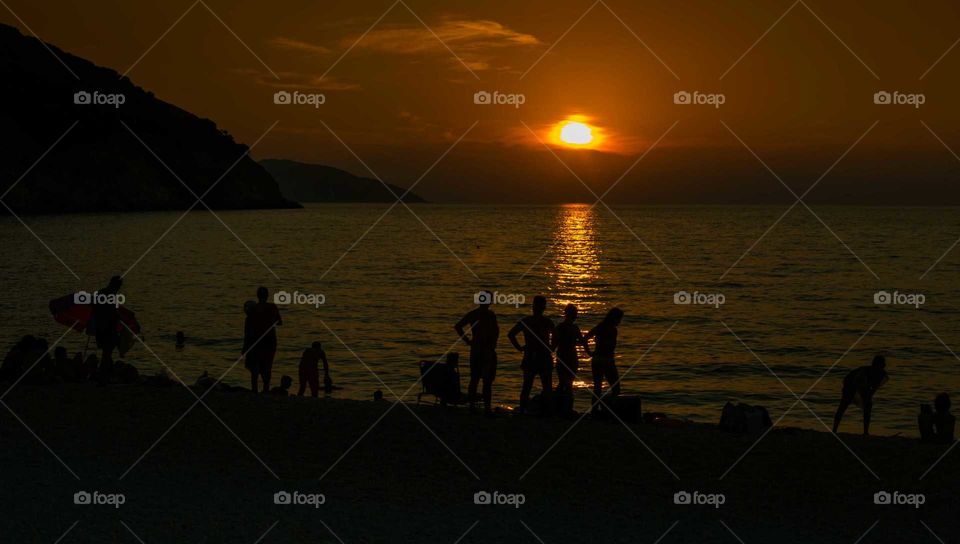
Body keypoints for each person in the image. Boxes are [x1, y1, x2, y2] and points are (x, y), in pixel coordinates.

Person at [508, 296, 555, 414]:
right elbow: (557, 336)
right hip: (543, 356)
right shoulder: (547, 322)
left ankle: (523, 410)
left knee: (527, 386)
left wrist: (519, 347)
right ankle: (548, 411)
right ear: (544, 307)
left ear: (533, 307)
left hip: (531, 355)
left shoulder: (526, 321)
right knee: (546, 387)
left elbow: (511, 334)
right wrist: (551, 348)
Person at [455, 291, 500, 414]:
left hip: (480, 350)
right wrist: (467, 340)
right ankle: (483, 407)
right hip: (483, 351)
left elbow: (458, 326)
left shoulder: (481, 314)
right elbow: (458, 326)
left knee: (477, 380)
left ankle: (476, 407)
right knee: (483, 381)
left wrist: (468, 341)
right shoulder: (487, 315)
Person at [832, 354, 889, 436]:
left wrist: (868, 396)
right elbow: (858, 384)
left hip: (861, 385)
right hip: (850, 383)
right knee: (843, 405)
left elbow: (874, 388)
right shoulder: (864, 372)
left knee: (868, 406)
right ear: (875, 365)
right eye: (882, 364)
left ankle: (865, 432)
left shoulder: (882, 374)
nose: (884, 366)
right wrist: (865, 395)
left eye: (883, 364)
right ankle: (834, 430)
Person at [584, 307, 624, 414]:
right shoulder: (609, 329)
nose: (619, 322)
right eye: (619, 319)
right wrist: (589, 353)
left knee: (598, 387)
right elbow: (585, 338)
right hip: (606, 361)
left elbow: (585, 338)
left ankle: (596, 410)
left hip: (598, 360)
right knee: (615, 388)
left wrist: (589, 353)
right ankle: (608, 410)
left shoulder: (601, 327)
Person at [243, 288, 282, 393]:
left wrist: (245, 347)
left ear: (257, 295)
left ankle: (254, 390)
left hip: (256, 340)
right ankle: (266, 389)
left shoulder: (253, 309)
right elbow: (279, 322)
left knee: (255, 366)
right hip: (270, 340)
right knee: (268, 365)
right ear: (267, 295)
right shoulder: (272, 307)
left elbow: (248, 331)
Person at [92, 276, 123, 381]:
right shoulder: (111, 295)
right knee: (107, 352)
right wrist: (119, 317)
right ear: (116, 285)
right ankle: (103, 376)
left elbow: (95, 309)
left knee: (106, 352)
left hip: (100, 327)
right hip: (108, 328)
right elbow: (112, 312)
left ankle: (105, 374)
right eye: (119, 286)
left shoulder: (100, 292)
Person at [552, 303, 587, 394]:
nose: (575, 316)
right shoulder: (573, 328)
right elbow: (582, 342)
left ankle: (561, 400)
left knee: (564, 382)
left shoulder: (560, 327)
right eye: (575, 314)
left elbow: (553, 346)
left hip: (564, 357)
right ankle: (564, 400)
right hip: (569, 357)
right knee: (567, 383)